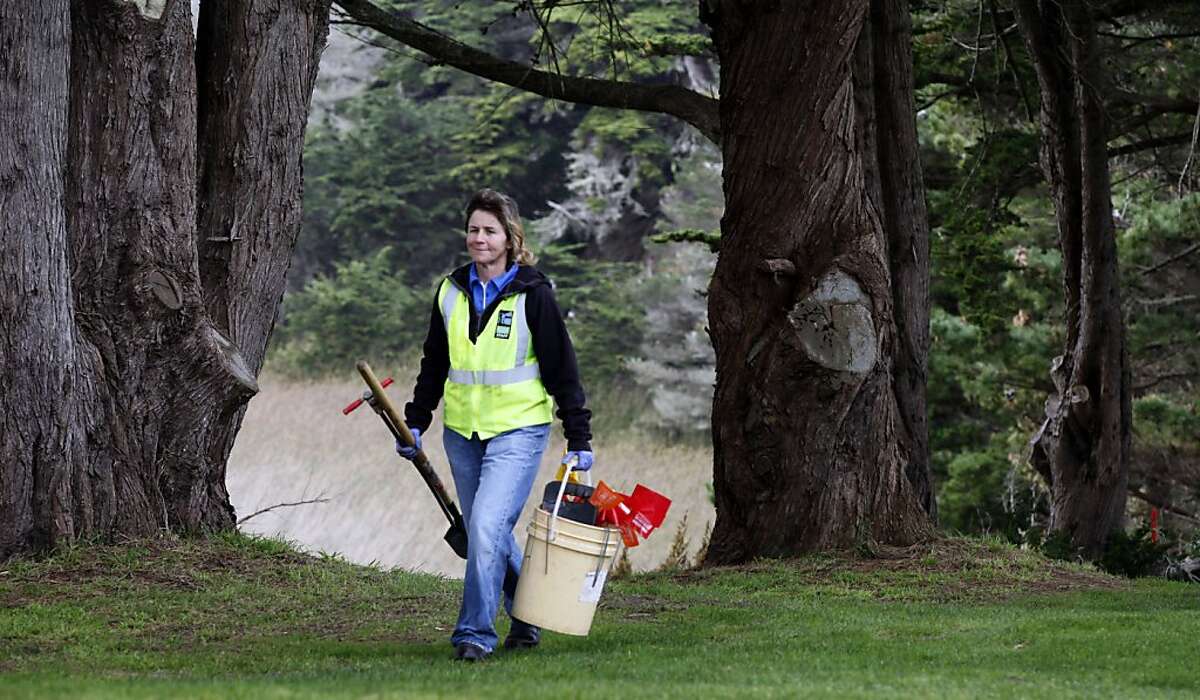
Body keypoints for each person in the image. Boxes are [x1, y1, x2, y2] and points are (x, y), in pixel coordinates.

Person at [396, 188, 593, 662]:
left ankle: (474, 635)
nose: (479, 239)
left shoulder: (534, 294)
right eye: (473, 230)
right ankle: (527, 617)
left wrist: (579, 436)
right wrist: (416, 420)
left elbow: (562, 369)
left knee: (485, 525)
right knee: (490, 533)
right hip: (462, 435)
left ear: (509, 237)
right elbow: (434, 362)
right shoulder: (450, 291)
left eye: (489, 231)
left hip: (519, 431)